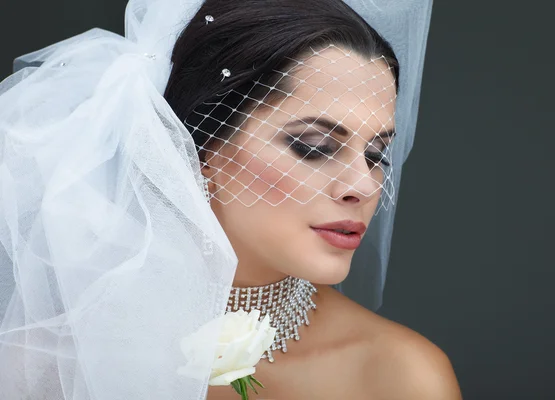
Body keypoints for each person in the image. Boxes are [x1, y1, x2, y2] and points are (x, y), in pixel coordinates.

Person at [0, 0, 461, 399]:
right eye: (313, 147)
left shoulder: (400, 376)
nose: (362, 185)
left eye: (376, 153)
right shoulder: (43, 368)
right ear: (198, 147)